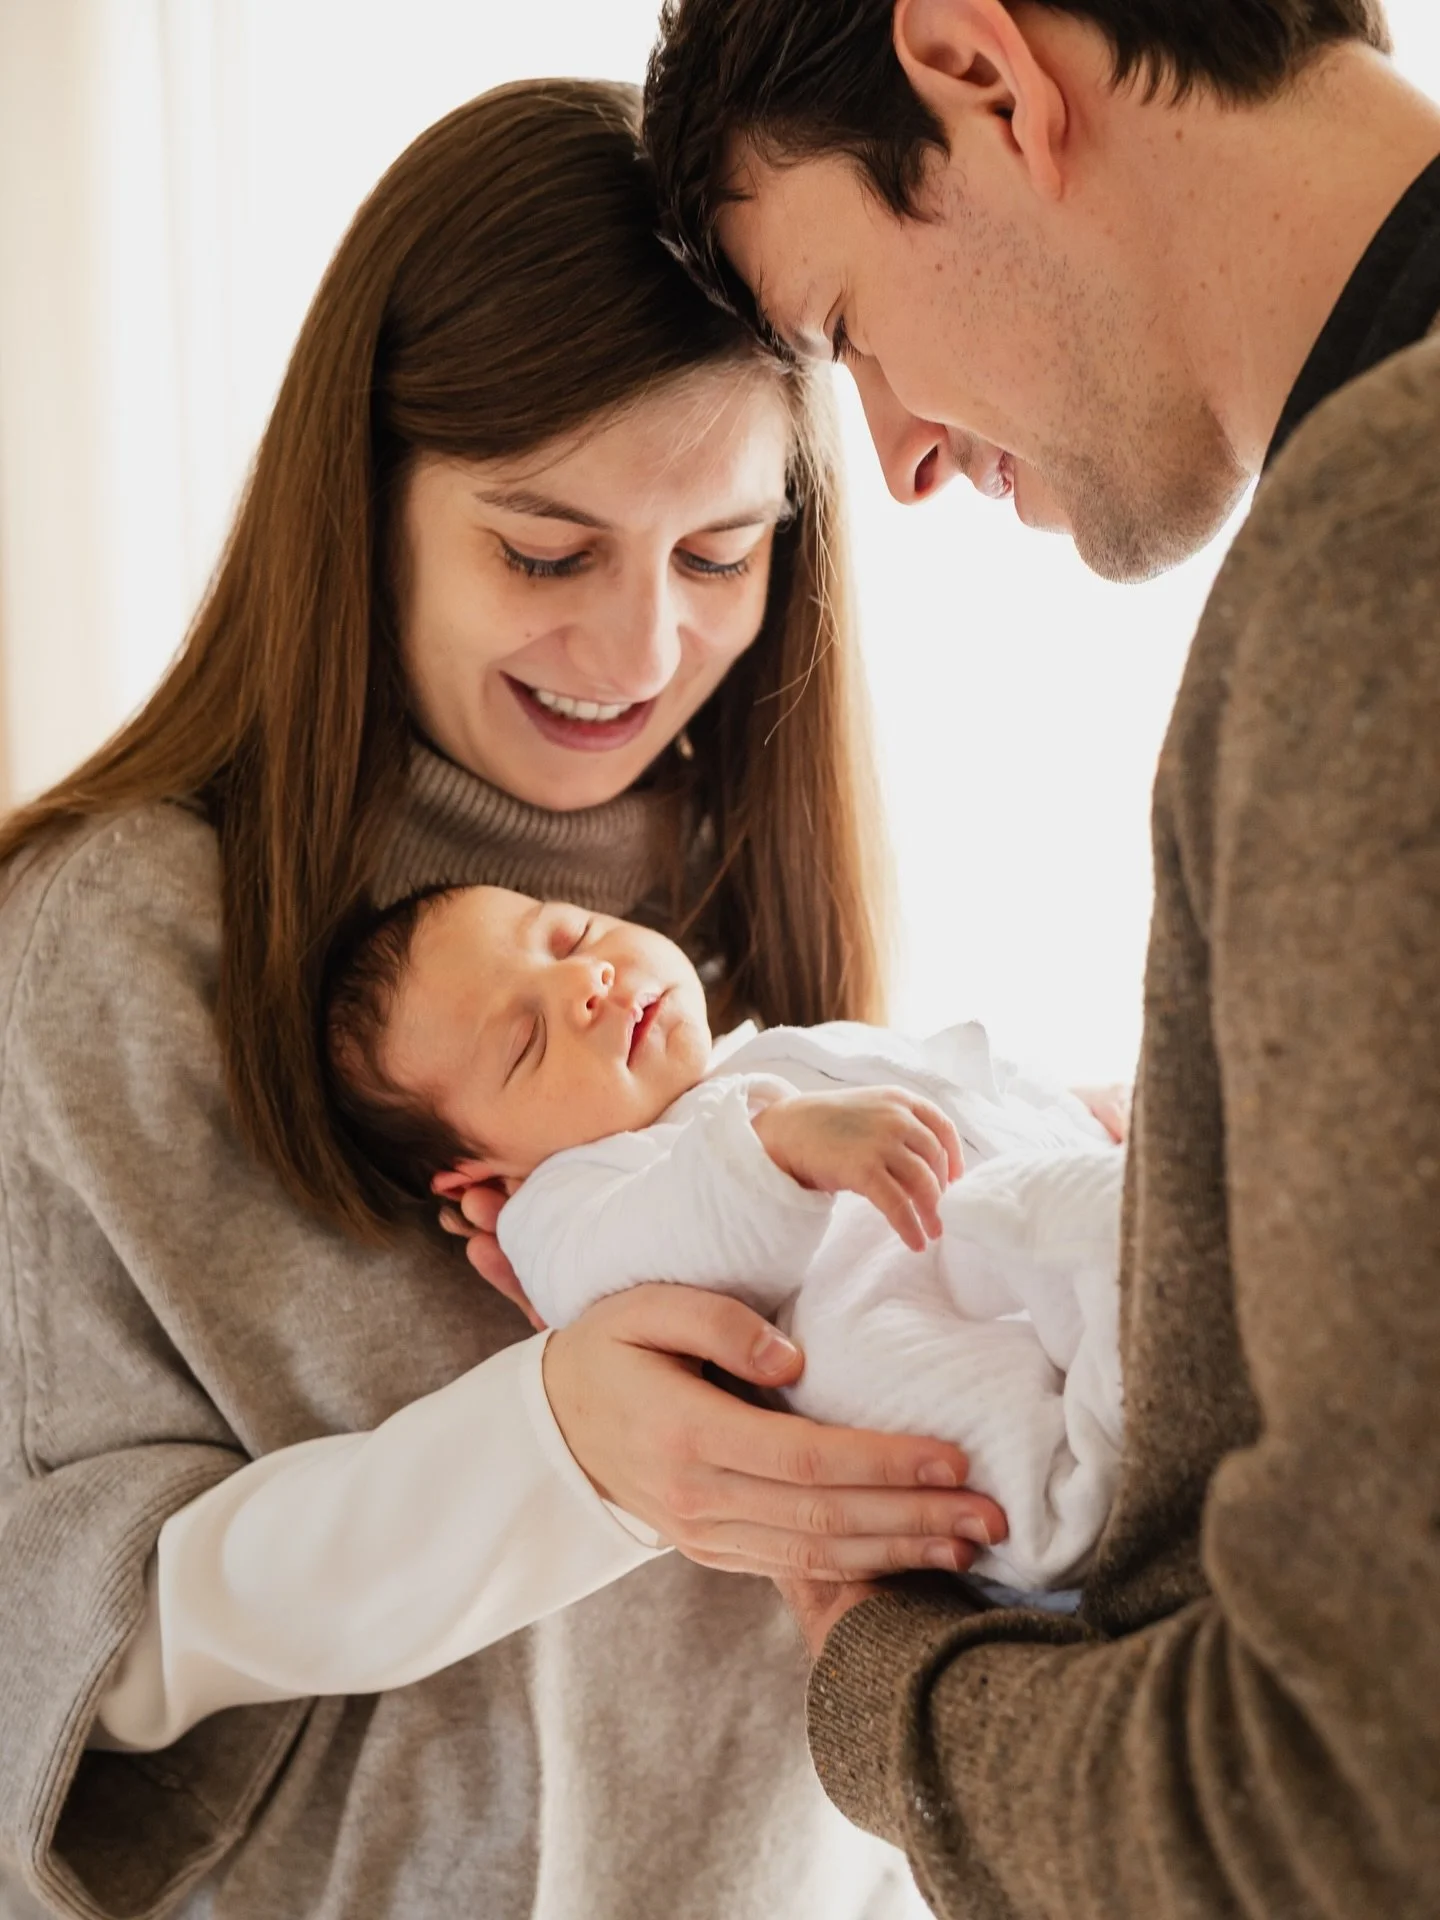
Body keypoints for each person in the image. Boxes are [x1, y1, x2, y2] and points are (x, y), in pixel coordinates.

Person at [0, 79, 1008, 1920]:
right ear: (363, 499)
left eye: (720, 555)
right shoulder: (121, 941)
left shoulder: (747, 882)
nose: (640, 654)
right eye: (545, 552)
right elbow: (62, 1644)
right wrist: (557, 1453)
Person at [642, 1, 1440, 1916]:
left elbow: (1347, 1805)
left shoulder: (1381, 557)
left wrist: (878, 1688)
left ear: (984, 77)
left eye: (846, 329)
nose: (901, 463)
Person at [317, 880, 1126, 1595]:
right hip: (906, 1350)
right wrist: (774, 1153)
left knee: (1083, 1216)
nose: (585, 983)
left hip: (1000, 1254)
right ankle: (1093, 1477)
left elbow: (950, 1075)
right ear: (481, 1174)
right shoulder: (558, 1208)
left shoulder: (764, 1052)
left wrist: (1064, 1109)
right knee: (1050, 1409)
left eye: (571, 937)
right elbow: (657, 1238)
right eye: (526, 1040)